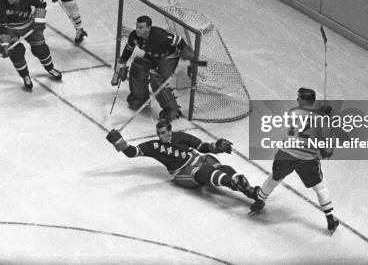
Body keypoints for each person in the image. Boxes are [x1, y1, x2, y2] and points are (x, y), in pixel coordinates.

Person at [106, 119, 263, 206]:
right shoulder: (154, 146)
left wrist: (217, 146)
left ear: (170, 130)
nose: (161, 137)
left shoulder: (181, 136)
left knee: (224, 167)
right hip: (183, 173)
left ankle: (248, 190)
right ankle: (234, 182)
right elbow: (132, 152)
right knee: (205, 172)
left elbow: (203, 147)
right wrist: (119, 142)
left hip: (199, 160)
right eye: (159, 134)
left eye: (164, 133)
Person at [249, 88, 340, 235]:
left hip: (286, 154)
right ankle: (330, 219)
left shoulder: (292, 112)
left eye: (299, 98)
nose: (297, 100)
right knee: (320, 188)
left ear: (304, 100)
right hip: (306, 159)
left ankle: (258, 202)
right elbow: (328, 150)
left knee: (274, 177)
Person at [112, 15, 195, 121]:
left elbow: (179, 41)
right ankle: (140, 98)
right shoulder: (134, 36)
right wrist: (121, 66)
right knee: (139, 67)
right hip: (152, 55)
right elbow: (128, 50)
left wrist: (191, 62)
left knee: (157, 79)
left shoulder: (159, 36)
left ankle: (171, 109)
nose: (137, 29)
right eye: (137, 26)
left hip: (168, 57)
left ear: (148, 28)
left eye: (141, 27)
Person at [0, 0, 62, 91]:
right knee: (16, 53)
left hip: (29, 25)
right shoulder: (1, 2)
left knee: (41, 49)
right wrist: (5, 45)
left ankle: (50, 68)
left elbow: (41, 3)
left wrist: (39, 20)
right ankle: (25, 76)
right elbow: (2, 27)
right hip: (11, 30)